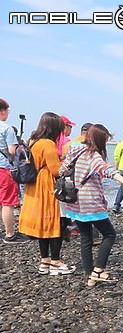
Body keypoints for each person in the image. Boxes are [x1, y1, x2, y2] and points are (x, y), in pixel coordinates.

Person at [61, 124, 123, 286]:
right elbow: (110, 172)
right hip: (90, 203)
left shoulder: (75, 151)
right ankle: (98, 270)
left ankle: (90, 276)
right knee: (109, 235)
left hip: (75, 203)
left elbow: (61, 170)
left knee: (86, 239)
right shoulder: (93, 156)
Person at [18, 112, 75, 274]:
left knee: (43, 223)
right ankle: (56, 261)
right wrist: (66, 162)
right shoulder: (48, 144)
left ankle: (45, 261)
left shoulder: (33, 141)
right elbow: (56, 171)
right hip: (47, 185)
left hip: (33, 185)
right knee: (55, 221)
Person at [0, 98, 26, 244]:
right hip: (4, 168)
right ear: (2, 111)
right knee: (7, 202)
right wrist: (19, 148)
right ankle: (10, 234)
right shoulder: (7, 129)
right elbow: (11, 151)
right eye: (7, 111)